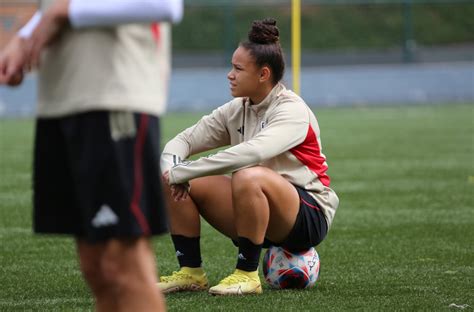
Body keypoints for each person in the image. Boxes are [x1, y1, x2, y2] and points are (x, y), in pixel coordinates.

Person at [0, 0, 183, 310]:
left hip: (114, 94)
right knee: (96, 266)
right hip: (62, 97)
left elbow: (165, 5)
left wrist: (63, 13)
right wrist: (27, 35)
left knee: (121, 261)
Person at [157, 18, 339, 296]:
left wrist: (185, 171)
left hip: (308, 216)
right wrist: (172, 170)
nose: (230, 74)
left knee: (247, 173)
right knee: (170, 179)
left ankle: (247, 274)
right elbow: (183, 141)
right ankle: (190, 273)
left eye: (238, 68)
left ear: (263, 74)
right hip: (257, 205)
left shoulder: (292, 110)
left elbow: (253, 153)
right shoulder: (237, 108)